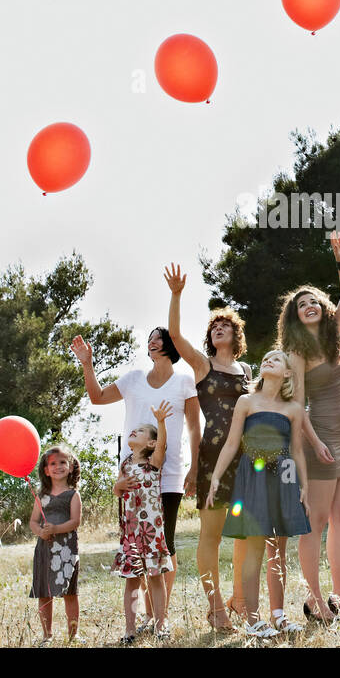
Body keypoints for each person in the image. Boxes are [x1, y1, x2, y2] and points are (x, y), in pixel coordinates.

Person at [70, 329, 198, 607]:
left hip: (168, 474)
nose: (151, 341)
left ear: (171, 344)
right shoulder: (133, 379)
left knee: (165, 544)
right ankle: (146, 615)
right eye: (149, 337)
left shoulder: (185, 382)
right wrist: (87, 364)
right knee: (136, 546)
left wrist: (196, 467)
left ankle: (157, 615)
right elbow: (97, 397)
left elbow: (194, 428)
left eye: (158, 337)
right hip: (132, 476)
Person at [163, 262, 253, 633]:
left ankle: (240, 600)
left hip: (247, 459)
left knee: (246, 532)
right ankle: (215, 608)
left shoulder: (248, 371)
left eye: (226, 325)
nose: (219, 328)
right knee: (211, 535)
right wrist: (177, 294)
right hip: (214, 458)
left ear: (237, 334)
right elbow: (175, 334)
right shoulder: (202, 365)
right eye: (214, 326)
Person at [206, 349, 312, 639]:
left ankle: (278, 615)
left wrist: (304, 487)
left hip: (284, 479)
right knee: (254, 547)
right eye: (266, 358)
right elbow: (230, 444)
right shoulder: (246, 401)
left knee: (279, 548)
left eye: (276, 359)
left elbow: (298, 452)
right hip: (252, 478)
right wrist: (215, 478)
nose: (268, 360)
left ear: (287, 373)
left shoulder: (293, 409)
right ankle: (253, 619)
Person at [279, 229, 340, 621]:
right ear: (294, 316)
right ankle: (315, 599)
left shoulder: (333, 335)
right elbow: (297, 404)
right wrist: (314, 442)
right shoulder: (296, 352)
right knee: (316, 523)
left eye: (313, 302)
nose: (309, 306)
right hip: (318, 441)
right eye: (301, 304)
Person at [112, 408, 172, 643]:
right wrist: (120, 485)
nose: (134, 431)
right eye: (133, 431)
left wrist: (160, 422)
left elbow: (163, 445)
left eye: (140, 431)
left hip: (152, 532)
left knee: (156, 578)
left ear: (150, 442)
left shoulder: (152, 463)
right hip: (131, 533)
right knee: (132, 581)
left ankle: (160, 625)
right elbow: (116, 489)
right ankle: (130, 629)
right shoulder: (126, 463)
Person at [29, 445, 82, 644]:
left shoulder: (72, 494)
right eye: (53, 463)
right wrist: (40, 532)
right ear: (46, 470)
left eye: (62, 462)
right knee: (44, 592)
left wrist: (56, 529)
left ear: (70, 467)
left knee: (70, 592)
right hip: (45, 549)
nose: (58, 466)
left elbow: (75, 521)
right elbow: (33, 521)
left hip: (67, 549)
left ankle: (73, 634)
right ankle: (47, 634)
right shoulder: (41, 495)